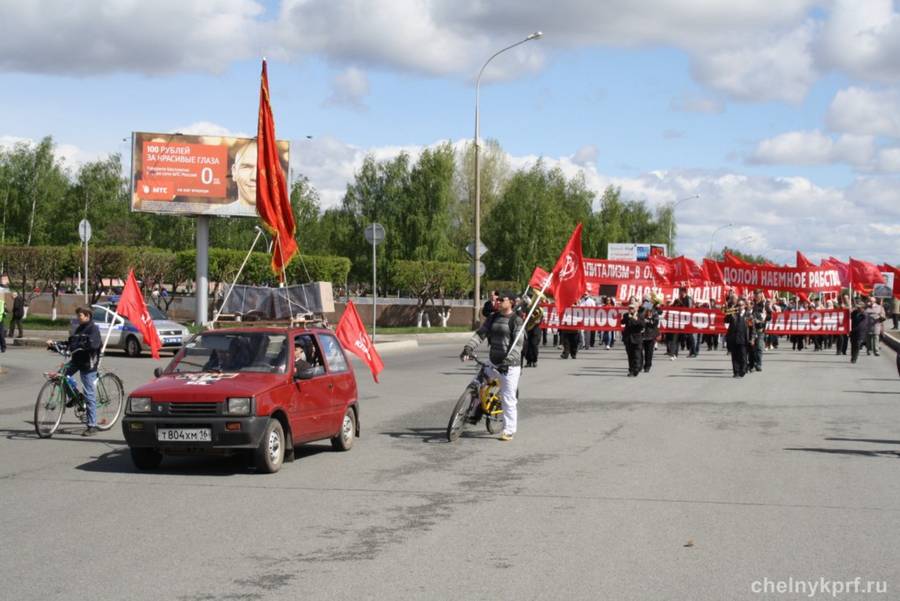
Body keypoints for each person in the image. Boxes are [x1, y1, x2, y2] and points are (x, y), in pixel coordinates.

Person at [460, 291, 524, 442]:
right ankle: (475, 412)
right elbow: (480, 334)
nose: (498, 301)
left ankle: (509, 430)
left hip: (509, 367)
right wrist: (468, 348)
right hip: (493, 362)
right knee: (476, 384)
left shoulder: (516, 321)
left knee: (508, 398)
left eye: (502, 299)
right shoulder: (493, 317)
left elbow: (518, 346)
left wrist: (507, 362)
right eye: (498, 298)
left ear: (512, 303)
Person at [49, 307, 102, 436]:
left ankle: (92, 425)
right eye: (78, 316)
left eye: (81, 316)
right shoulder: (78, 329)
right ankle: (76, 396)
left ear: (88, 316)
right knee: (61, 374)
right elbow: (70, 343)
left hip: (88, 363)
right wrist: (54, 345)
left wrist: (83, 346)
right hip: (76, 361)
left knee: (89, 393)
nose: (78, 318)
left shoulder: (93, 329)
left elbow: (94, 344)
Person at [725, 298, 752, 378]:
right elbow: (725, 319)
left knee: (743, 356)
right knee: (735, 356)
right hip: (734, 338)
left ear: (745, 306)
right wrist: (731, 310)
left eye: (742, 305)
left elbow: (751, 328)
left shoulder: (748, 316)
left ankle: (743, 370)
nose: (740, 307)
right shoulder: (733, 314)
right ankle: (736, 372)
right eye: (739, 305)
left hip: (744, 338)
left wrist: (752, 338)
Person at [748, 290, 771, 372]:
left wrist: (764, 317)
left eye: (758, 294)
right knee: (751, 348)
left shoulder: (765, 305)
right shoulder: (751, 303)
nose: (757, 295)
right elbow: (746, 313)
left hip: (760, 329)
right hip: (750, 329)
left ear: (761, 294)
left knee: (759, 347)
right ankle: (752, 364)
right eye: (755, 293)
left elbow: (770, 316)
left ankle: (758, 364)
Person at [621, 301, 645, 377]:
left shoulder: (640, 315)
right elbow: (622, 322)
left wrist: (635, 319)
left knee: (637, 355)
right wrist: (627, 317)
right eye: (630, 308)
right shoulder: (626, 315)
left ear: (636, 309)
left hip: (637, 338)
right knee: (630, 355)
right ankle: (631, 370)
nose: (630, 309)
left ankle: (636, 369)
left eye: (632, 308)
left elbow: (642, 325)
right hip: (628, 338)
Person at [231, 140, 257, 205]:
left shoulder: (284, 214)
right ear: (234, 172)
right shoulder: (215, 213)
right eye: (247, 167)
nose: (254, 177)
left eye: (264, 169)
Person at [641, 300, 661, 374]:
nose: (645, 304)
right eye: (644, 302)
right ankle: (639, 364)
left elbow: (655, 323)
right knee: (639, 351)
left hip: (650, 334)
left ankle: (647, 365)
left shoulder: (654, 312)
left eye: (647, 302)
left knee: (649, 352)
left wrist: (648, 320)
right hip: (641, 334)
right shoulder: (640, 311)